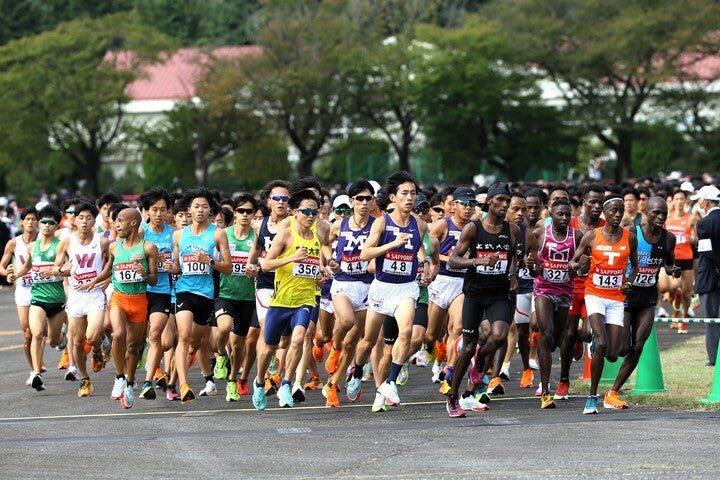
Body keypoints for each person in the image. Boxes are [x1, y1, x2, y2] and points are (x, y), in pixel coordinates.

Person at [349, 171, 429, 412]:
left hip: (406, 287)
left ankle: (390, 382)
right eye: (404, 193)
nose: (409, 198)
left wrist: (423, 265)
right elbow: (364, 254)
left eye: (413, 193)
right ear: (393, 197)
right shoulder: (382, 222)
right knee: (367, 342)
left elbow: (420, 252)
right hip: (382, 288)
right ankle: (357, 370)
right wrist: (392, 245)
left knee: (406, 331)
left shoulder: (420, 224)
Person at [445, 182, 520, 417]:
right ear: (488, 201)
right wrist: (477, 261)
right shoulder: (473, 228)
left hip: (498, 292)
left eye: (507, 201)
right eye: (500, 200)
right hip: (475, 293)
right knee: (467, 347)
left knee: (498, 335)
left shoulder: (513, 230)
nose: (504, 205)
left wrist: (513, 274)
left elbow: (513, 256)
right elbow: (453, 260)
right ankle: (453, 395)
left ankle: (481, 359)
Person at [251, 189, 325, 410]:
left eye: (314, 212)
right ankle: (259, 381)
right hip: (281, 301)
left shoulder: (317, 239)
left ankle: (286, 383)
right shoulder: (285, 234)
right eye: (306, 211)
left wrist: (320, 276)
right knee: (269, 348)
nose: (311, 216)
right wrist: (292, 257)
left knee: (299, 338)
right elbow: (266, 264)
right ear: (295, 212)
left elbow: (313, 269)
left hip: (305, 300)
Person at [606, 197, 681, 408]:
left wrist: (672, 269)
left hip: (648, 298)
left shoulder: (668, 238)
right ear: (645, 212)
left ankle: (613, 392)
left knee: (637, 346)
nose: (660, 217)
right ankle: (599, 339)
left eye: (664, 214)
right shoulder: (630, 233)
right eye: (656, 213)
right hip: (627, 295)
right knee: (621, 349)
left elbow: (668, 262)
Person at [568, 195, 637, 415]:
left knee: (614, 354)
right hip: (594, 294)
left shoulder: (630, 237)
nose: (617, 215)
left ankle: (595, 345)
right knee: (601, 342)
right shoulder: (591, 236)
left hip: (616, 298)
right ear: (605, 213)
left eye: (620, 211)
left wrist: (630, 282)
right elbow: (573, 264)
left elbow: (635, 265)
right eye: (613, 211)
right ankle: (592, 397)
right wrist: (579, 264)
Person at [170, 188, 233, 404]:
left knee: (195, 343)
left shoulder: (217, 234)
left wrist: (210, 262)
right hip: (184, 290)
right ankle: (184, 384)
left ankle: (203, 372)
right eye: (196, 206)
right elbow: (177, 267)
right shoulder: (178, 235)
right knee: (184, 335)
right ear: (189, 210)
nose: (200, 210)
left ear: (210, 211)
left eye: (204, 207)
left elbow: (229, 268)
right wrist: (172, 267)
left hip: (206, 294)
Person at [322, 180, 375, 407]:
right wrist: (330, 261)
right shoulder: (339, 225)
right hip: (343, 281)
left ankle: (333, 384)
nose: (364, 203)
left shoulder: (378, 225)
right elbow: (325, 244)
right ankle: (334, 347)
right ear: (351, 201)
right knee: (346, 320)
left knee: (353, 342)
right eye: (359, 199)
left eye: (368, 198)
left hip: (367, 284)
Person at [8, 205, 67, 391]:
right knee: (36, 334)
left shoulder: (62, 245)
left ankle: (62, 339)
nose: (46, 225)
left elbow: (70, 267)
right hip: (37, 298)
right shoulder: (33, 247)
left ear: (57, 225)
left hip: (57, 300)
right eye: (44, 221)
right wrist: (15, 276)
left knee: (53, 341)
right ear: (39, 224)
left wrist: (58, 270)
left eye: (51, 222)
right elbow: (26, 266)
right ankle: (36, 373)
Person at [105, 208, 159, 409]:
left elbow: (154, 280)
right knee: (117, 334)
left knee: (133, 347)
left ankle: (129, 381)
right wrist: (93, 281)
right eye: (116, 221)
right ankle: (119, 377)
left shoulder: (148, 248)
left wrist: (144, 273)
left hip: (138, 300)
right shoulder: (113, 248)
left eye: (120, 221)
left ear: (133, 223)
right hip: (118, 298)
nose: (116, 225)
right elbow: (108, 271)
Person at [532, 199, 580, 409]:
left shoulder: (576, 237)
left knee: (553, 342)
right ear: (551, 213)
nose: (564, 218)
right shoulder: (540, 234)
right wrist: (532, 264)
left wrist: (578, 266)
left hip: (565, 293)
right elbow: (532, 265)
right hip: (544, 290)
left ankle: (552, 342)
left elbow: (580, 267)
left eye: (567, 215)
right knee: (547, 332)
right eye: (560, 214)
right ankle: (545, 390)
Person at [214, 194, 258, 402]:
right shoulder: (223, 234)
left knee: (239, 345)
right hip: (224, 293)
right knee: (223, 328)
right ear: (234, 213)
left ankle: (232, 382)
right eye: (241, 211)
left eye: (249, 211)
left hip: (247, 296)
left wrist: (256, 270)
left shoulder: (257, 237)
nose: (245, 215)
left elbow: (265, 264)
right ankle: (221, 355)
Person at [138, 188, 174, 400]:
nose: (159, 214)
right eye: (154, 210)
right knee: (136, 339)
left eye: (163, 210)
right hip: (140, 291)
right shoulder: (141, 231)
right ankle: (125, 378)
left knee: (156, 336)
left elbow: (179, 263)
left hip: (162, 291)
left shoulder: (173, 233)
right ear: (146, 211)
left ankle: (147, 382)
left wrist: (173, 267)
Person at [0, 207, 39, 384]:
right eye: (27, 219)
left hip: (43, 290)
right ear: (21, 222)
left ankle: (38, 361)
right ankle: (33, 369)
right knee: (27, 333)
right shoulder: (13, 243)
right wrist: (7, 273)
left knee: (40, 331)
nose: (31, 222)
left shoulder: (44, 241)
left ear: (38, 222)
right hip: (23, 290)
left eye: (34, 219)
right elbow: (2, 266)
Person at [692, 185, 720, 366]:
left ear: (707, 201)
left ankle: (713, 359)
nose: (699, 203)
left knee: (710, 319)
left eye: (700, 199)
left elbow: (706, 252)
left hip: (709, 276)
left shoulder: (703, 223)